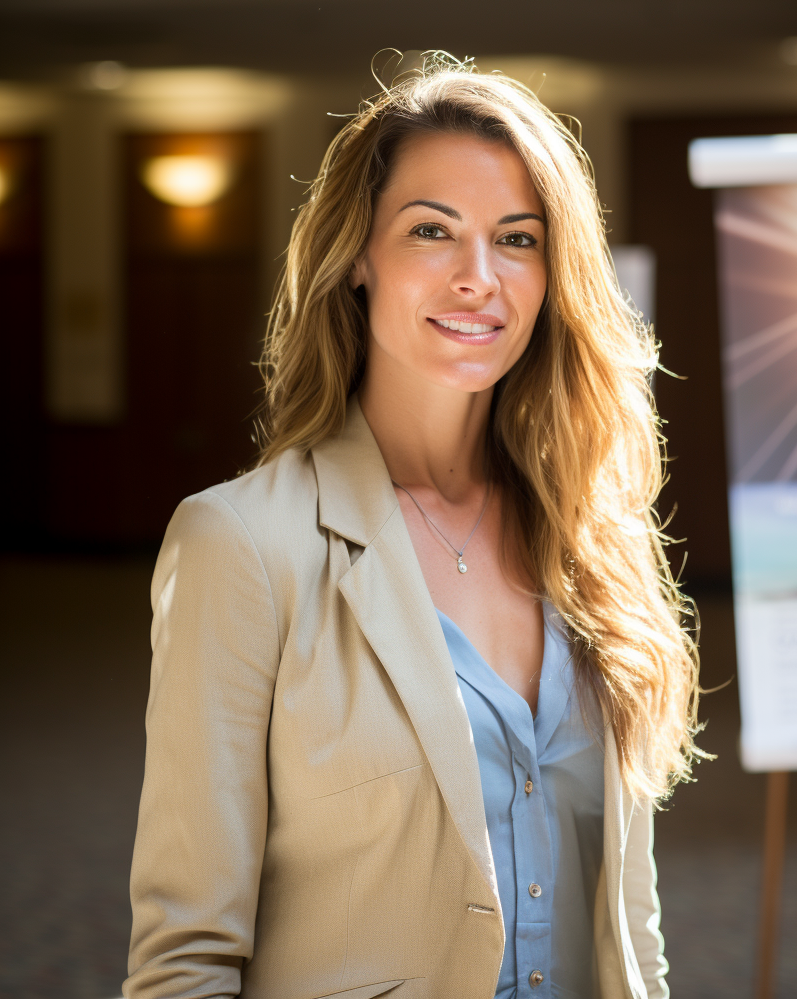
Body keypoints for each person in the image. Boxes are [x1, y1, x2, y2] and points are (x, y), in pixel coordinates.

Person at [125, 55, 701, 999]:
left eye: (517, 239)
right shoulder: (242, 546)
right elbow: (186, 958)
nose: (480, 277)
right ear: (359, 255)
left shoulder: (596, 538)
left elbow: (630, 923)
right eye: (433, 230)